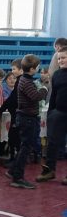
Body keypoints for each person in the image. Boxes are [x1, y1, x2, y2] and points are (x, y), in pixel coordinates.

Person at [8, 54, 48, 189]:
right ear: (32, 69)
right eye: (37, 67)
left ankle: (13, 170)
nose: (38, 69)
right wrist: (44, 88)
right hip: (27, 119)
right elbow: (36, 96)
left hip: (27, 118)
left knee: (25, 146)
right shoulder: (26, 81)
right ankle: (18, 177)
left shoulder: (26, 80)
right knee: (26, 147)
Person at [36, 46, 67, 185]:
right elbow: (53, 95)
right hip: (58, 113)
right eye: (59, 58)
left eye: (63, 57)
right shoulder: (57, 75)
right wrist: (50, 113)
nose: (60, 60)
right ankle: (49, 170)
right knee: (52, 143)